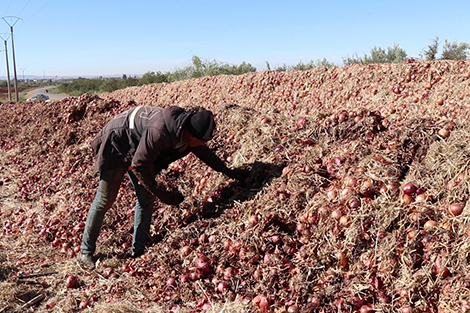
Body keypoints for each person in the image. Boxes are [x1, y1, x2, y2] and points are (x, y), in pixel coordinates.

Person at [79, 105, 247, 269]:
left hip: (138, 146)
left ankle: (138, 251)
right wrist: (161, 193)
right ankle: (86, 252)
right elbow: (139, 165)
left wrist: (228, 171)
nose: (201, 144)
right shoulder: (161, 132)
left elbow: (205, 153)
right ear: (192, 135)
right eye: (201, 141)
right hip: (117, 142)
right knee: (105, 199)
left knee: (145, 200)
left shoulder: (187, 133)